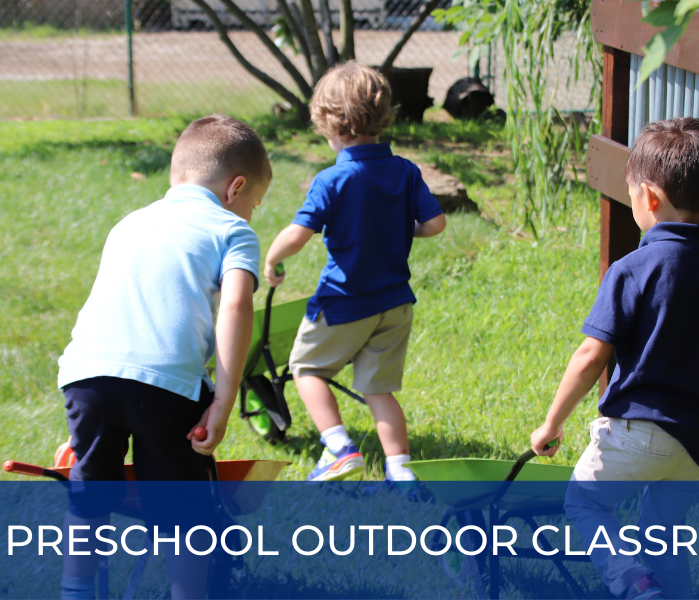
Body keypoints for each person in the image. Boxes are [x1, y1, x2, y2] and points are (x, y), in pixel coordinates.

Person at [530, 118, 699, 600]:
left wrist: (551, 423)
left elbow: (593, 353)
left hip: (638, 433)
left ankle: (631, 581)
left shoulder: (631, 269)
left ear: (649, 197)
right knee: (666, 533)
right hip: (698, 441)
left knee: (586, 505)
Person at [55, 114, 270, 599]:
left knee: (89, 495)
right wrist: (226, 395)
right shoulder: (231, 230)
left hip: (86, 375)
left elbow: (112, 318)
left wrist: (79, 430)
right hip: (165, 385)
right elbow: (236, 305)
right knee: (180, 510)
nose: (251, 214)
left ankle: (75, 591)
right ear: (236, 188)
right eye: (254, 204)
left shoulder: (129, 223)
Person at [264, 62, 447, 483]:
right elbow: (435, 225)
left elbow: (298, 234)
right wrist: (401, 229)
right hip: (396, 304)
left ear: (330, 123)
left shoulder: (332, 179)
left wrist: (272, 260)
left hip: (345, 302)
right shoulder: (404, 170)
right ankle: (401, 472)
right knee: (377, 389)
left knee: (306, 369)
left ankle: (338, 447)